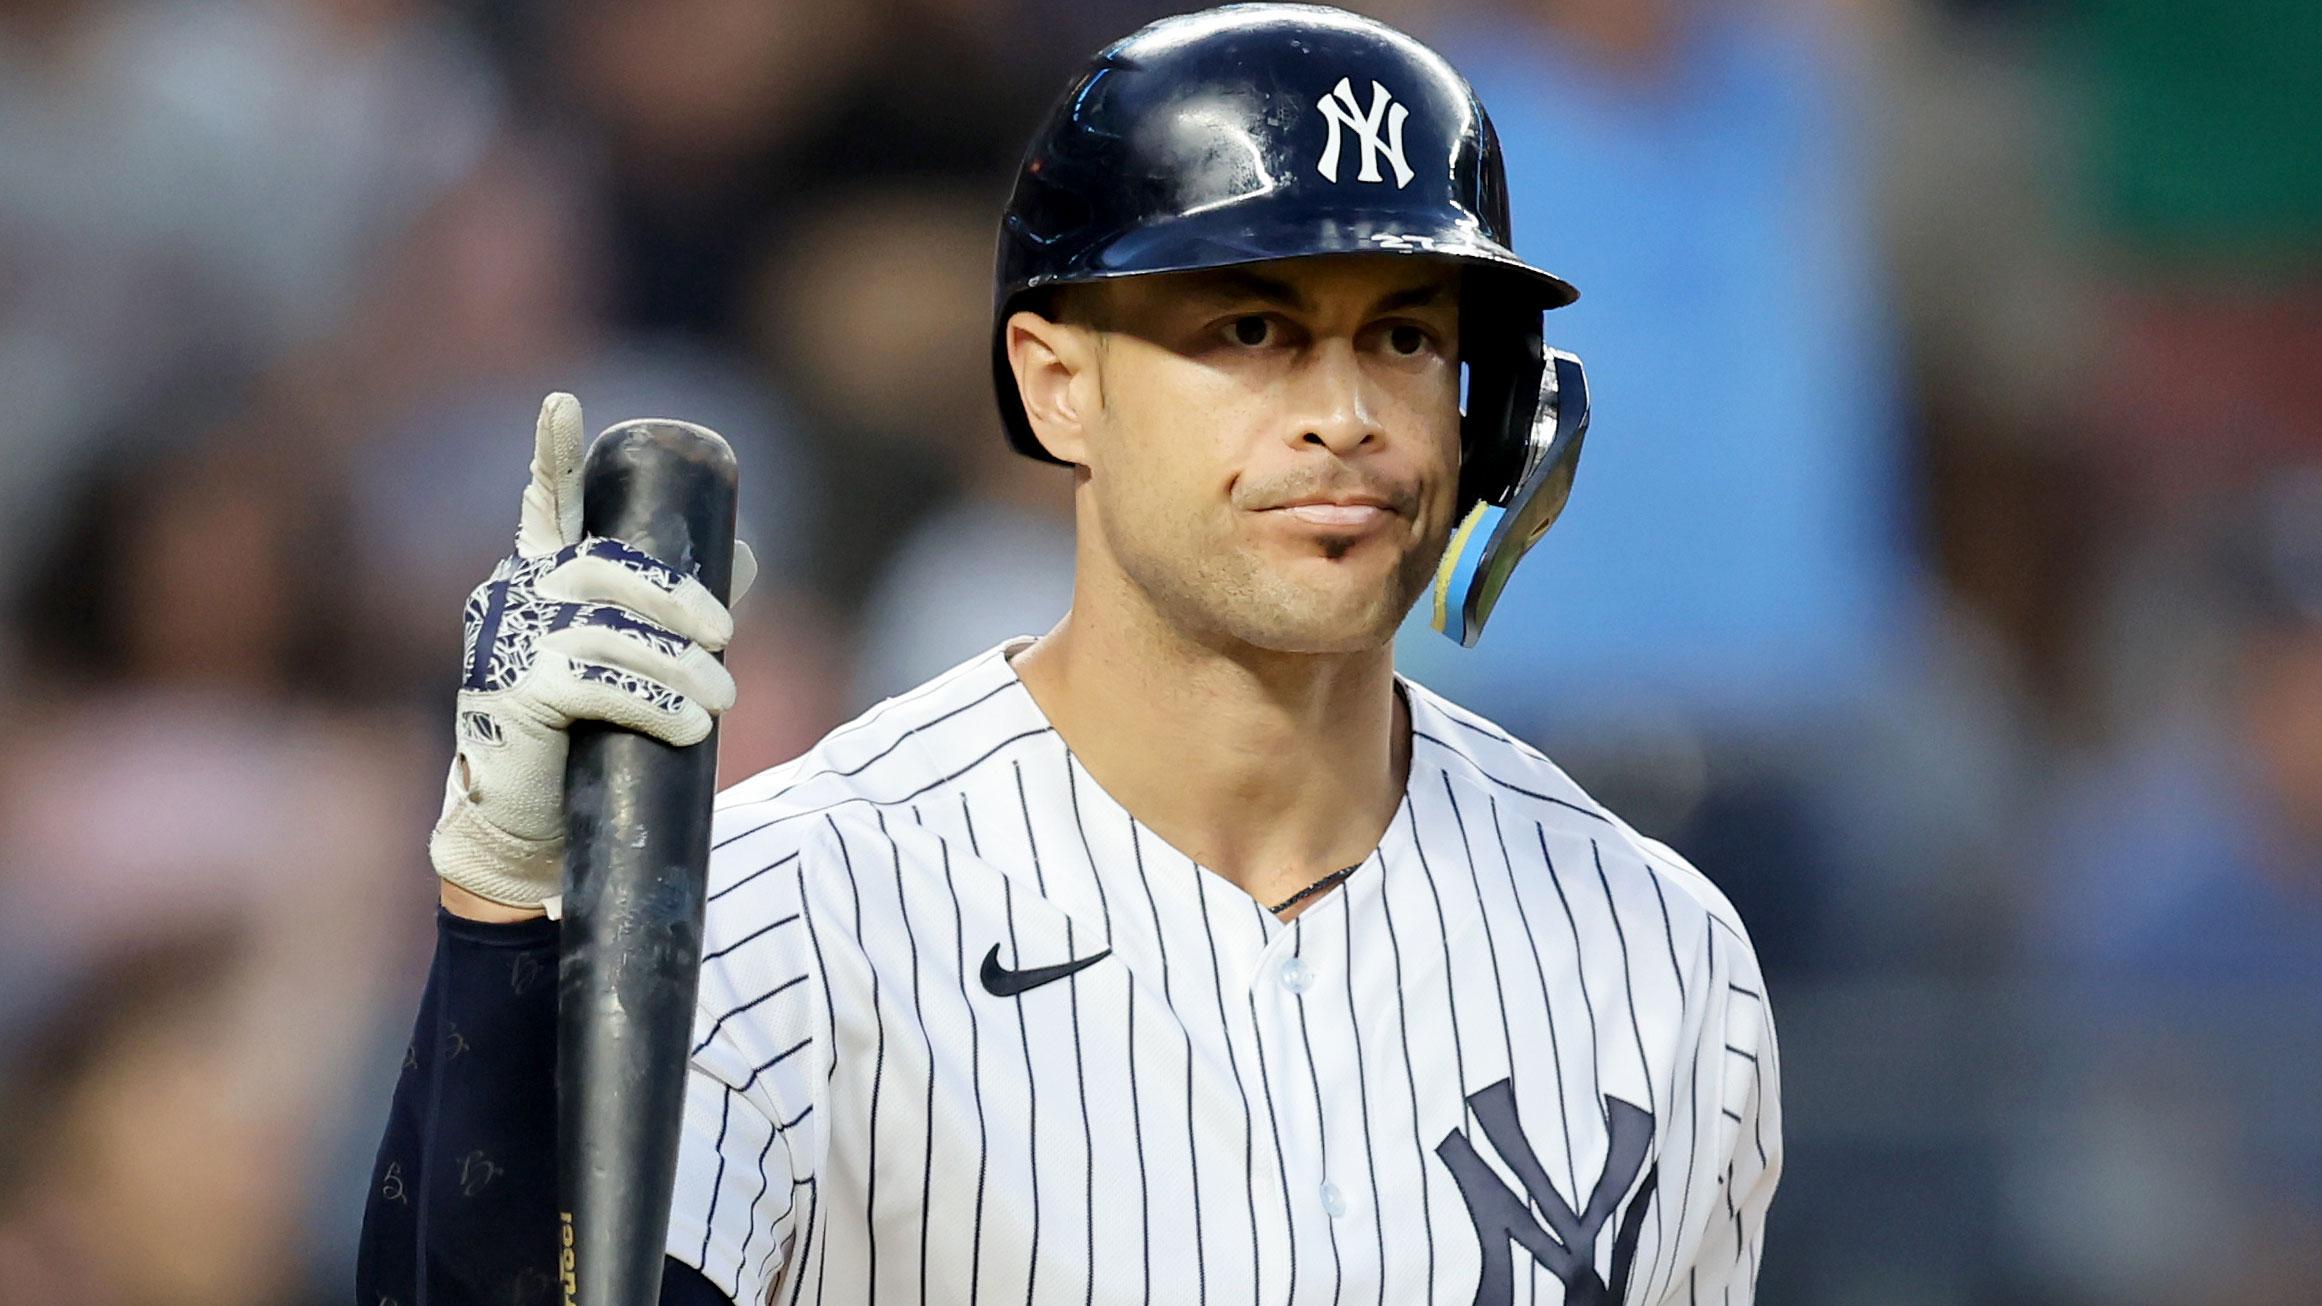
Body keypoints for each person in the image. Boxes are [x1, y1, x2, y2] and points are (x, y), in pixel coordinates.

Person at [358, 7, 1782, 1304]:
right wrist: (501, 932)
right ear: (1055, 383)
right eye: (1251, 327)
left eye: (1403, 336)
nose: (1345, 414)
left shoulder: (1657, 951)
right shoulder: (797, 910)